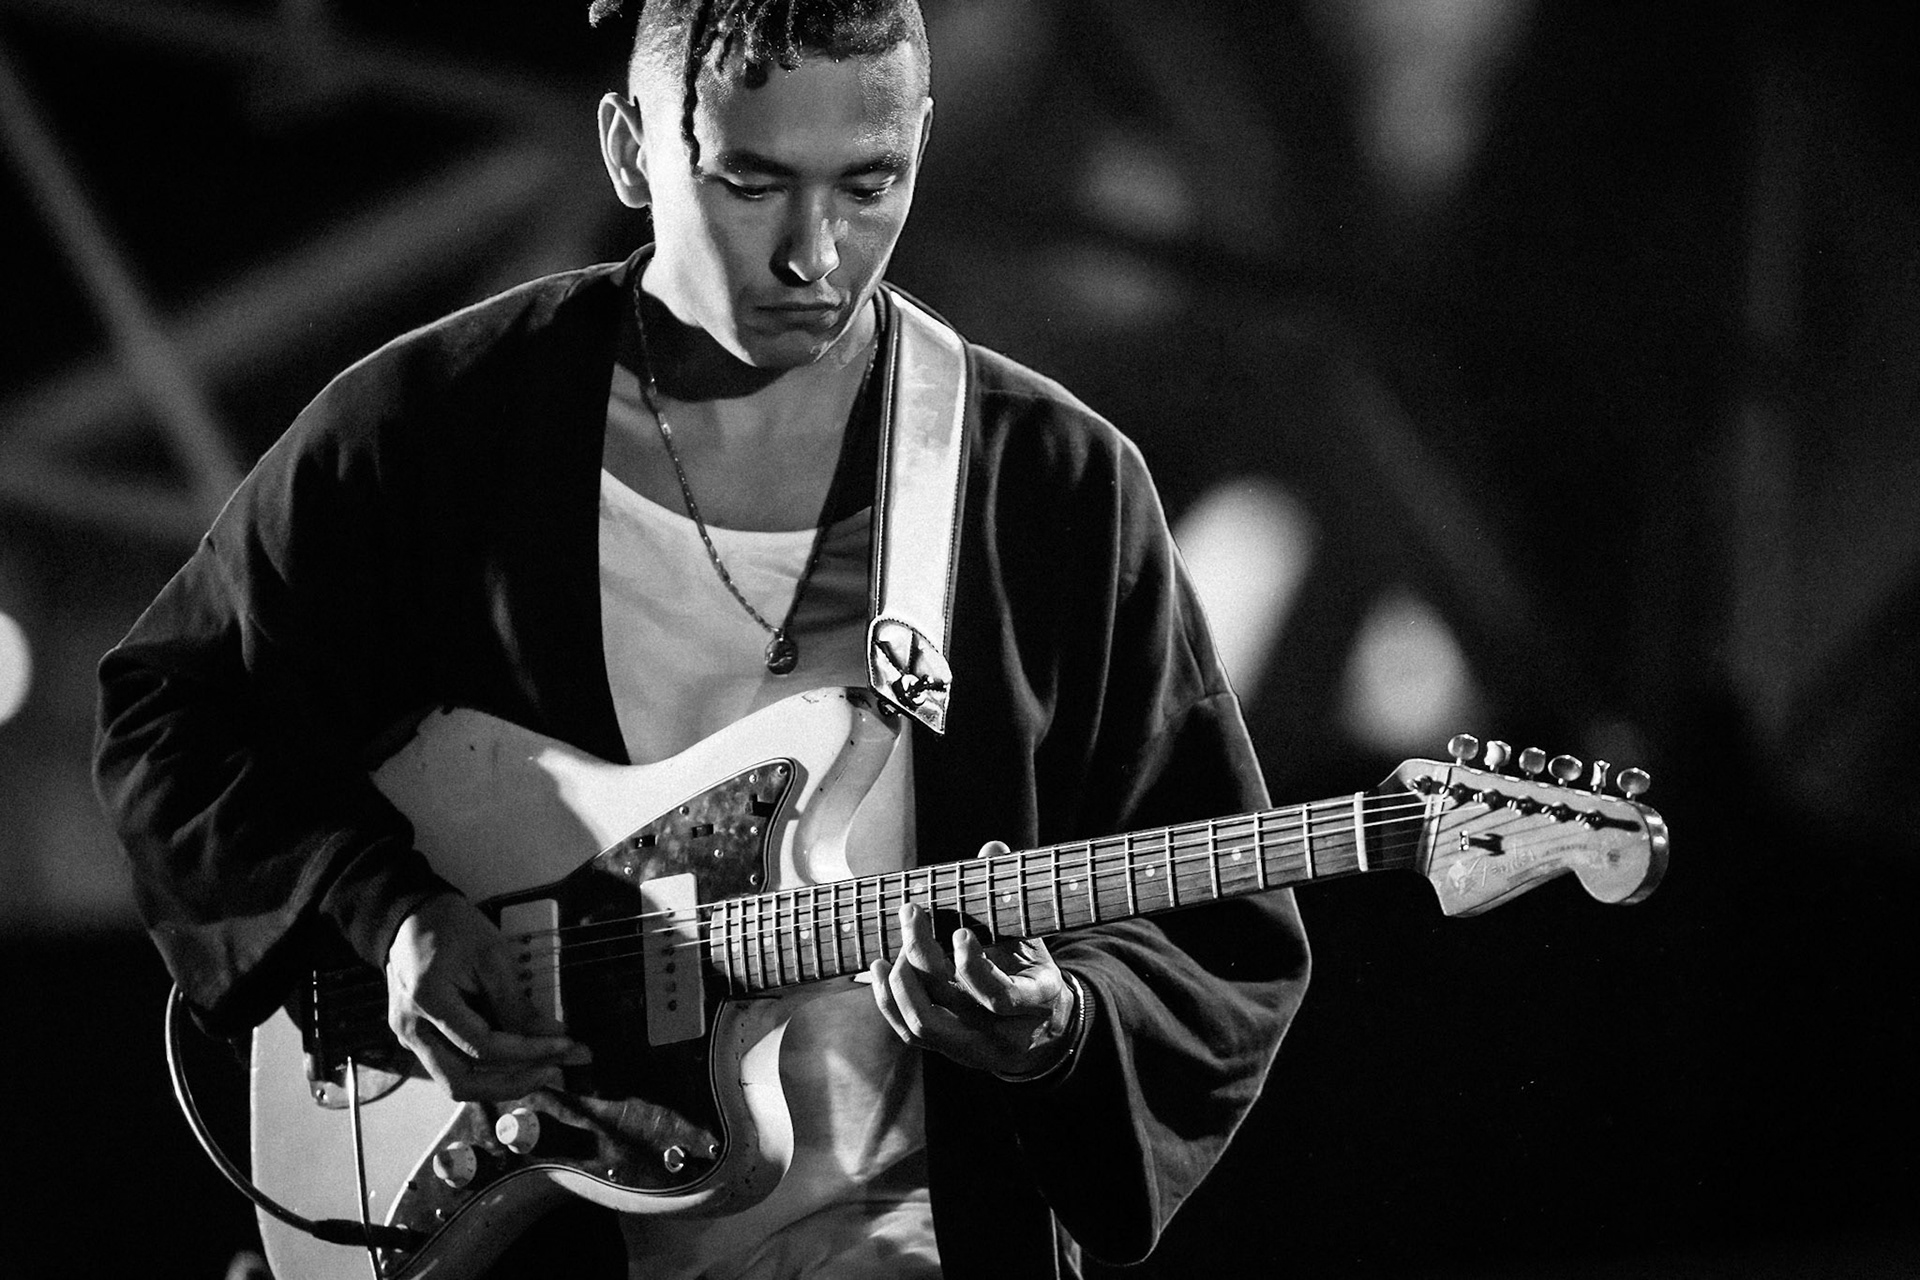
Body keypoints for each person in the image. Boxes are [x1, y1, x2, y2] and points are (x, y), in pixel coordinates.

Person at [93, 2, 1310, 1276]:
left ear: (926, 142)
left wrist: (1056, 1026)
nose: (815, 253)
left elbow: (1220, 936)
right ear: (629, 151)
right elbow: (172, 719)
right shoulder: (437, 428)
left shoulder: (1051, 486)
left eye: (870, 183)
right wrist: (385, 915)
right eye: (751, 182)